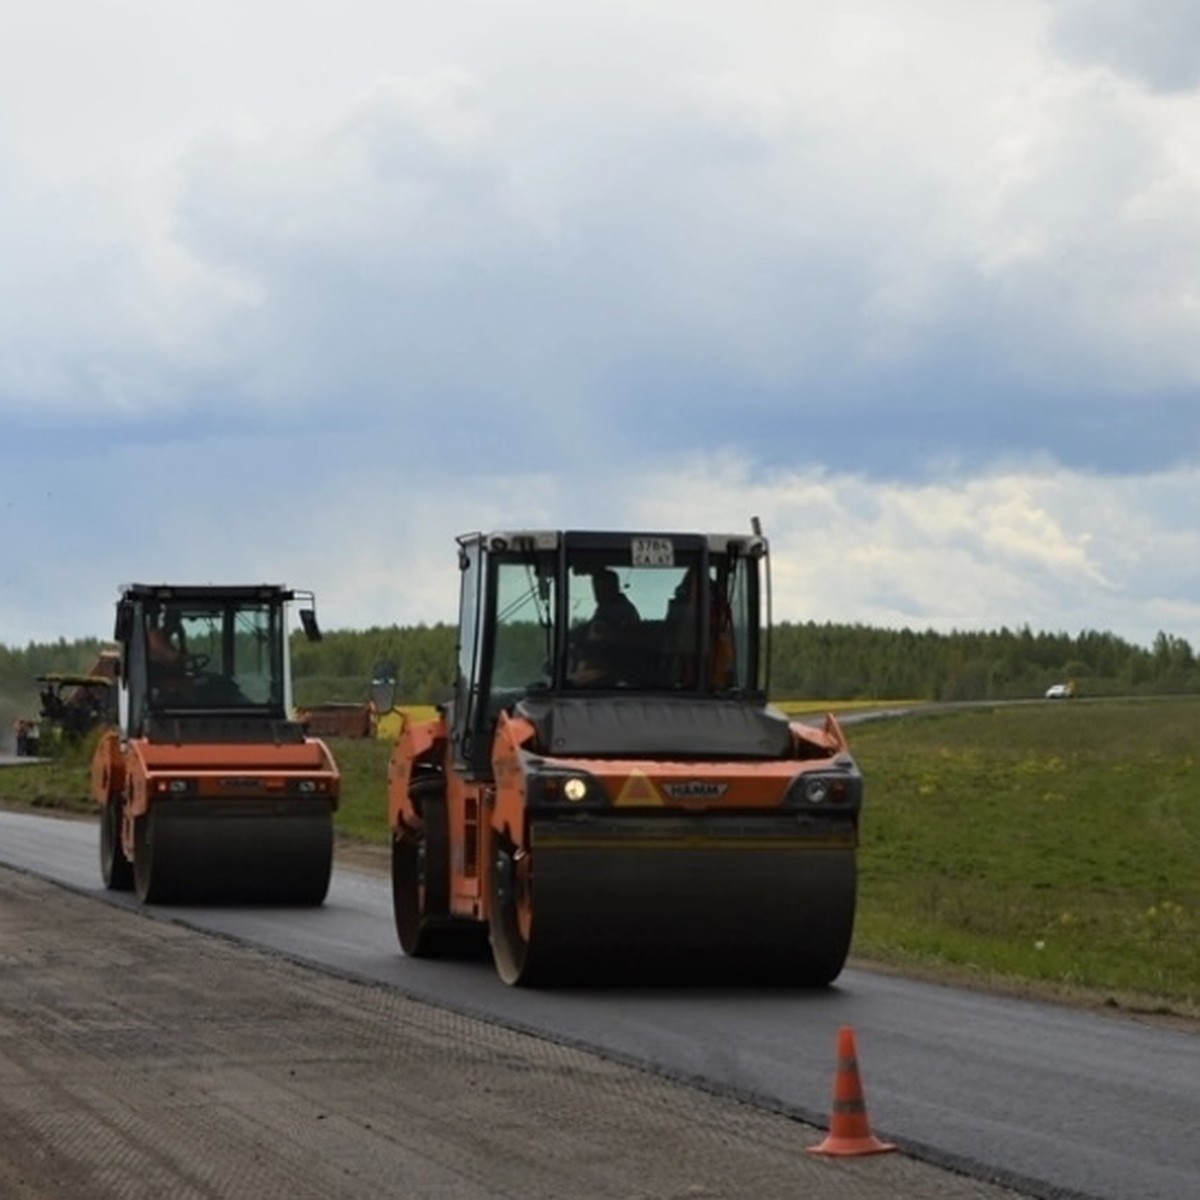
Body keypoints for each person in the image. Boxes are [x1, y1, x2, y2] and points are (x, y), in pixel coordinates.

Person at [569, 569, 641, 685]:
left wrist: (571, 637)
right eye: (596, 588)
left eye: (602, 587)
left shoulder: (617, 611)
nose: (597, 592)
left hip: (614, 668)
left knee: (574, 682)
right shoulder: (611, 608)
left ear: (614, 587)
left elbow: (596, 633)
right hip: (611, 665)